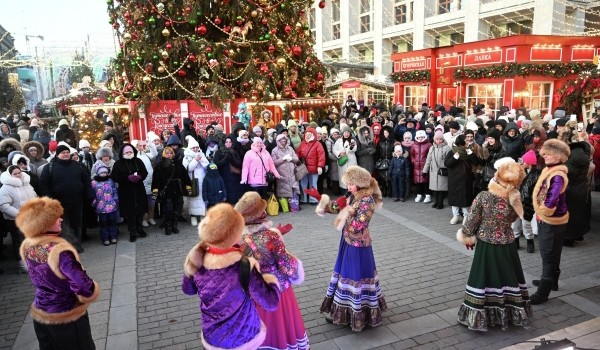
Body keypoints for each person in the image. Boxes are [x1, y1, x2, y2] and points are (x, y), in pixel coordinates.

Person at [182, 203, 280, 349]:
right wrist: (271, 281)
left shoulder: (196, 257)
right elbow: (271, 302)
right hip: (244, 336)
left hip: (212, 335)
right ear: (233, 234)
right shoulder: (243, 266)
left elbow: (188, 289)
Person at [456, 159, 530, 331]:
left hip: (486, 243)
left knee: (483, 277)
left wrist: (467, 237)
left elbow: (471, 221)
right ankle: (509, 311)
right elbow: (516, 217)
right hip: (508, 243)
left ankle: (482, 314)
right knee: (507, 276)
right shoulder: (515, 199)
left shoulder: (484, 196)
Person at [17, 197, 100, 350]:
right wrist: (91, 287)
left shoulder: (28, 245)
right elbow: (84, 287)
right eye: (55, 218)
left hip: (40, 313)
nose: (60, 219)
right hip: (65, 315)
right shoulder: (60, 252)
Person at [235, 192, 309, 349]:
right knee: (280, 325)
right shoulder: (271, 236)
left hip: (252, 292)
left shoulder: (237, 239)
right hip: (276, 290)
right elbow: (287, 265)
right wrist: (296, 268)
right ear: (261, 214)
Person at [318, 165, 387, 332]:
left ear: (360, 183)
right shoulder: (354, 196)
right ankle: (341, 311)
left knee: (354, 277)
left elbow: (359, 225)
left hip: (358, 246)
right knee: (344, 275)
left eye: (350, 183)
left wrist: (345, 213)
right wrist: (322, 201)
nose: (347, 187)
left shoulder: (367, 200)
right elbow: (338, 207)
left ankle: (358, 313)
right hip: (347, 241)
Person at [530, 139, 570, 304]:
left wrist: (543, 213)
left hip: (552, 220)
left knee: (548, 255)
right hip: (554, 219)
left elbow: (551, 199)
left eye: (549, 154)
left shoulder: (557, 174)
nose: (545, 156)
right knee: (553, 253)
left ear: (559, 156)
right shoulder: (552, 169)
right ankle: (552, 281)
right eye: (545, 153)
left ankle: (543, 292)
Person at [39, 144, 93, 253]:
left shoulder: (78, 165)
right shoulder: (49, 167)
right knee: (64, 225)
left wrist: (89, 194)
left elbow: (87, 182)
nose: (66, 154)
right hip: (59, 203)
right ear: (57, 154)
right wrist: (49, 200)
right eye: (63, 153)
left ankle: (76, 244)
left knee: (77, 224)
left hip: (77, 201)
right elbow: (44, 185)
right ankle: (70, 246)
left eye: (67, 152)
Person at [0, 165, 37, 270]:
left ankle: (33, 260)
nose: (17, 175)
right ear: (10, 175)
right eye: (14, 174)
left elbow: (35, 197)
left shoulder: (26, 184)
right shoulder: (5, 188)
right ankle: (22, 263)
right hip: (15, 220)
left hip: (31, 218)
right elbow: (4, 205)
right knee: (19, 241)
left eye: (19, 173)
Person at [111, 144, 149, 242]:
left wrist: (140, 177)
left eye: (130, 152)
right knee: (130, 213)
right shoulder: (118, 164)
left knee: (140, 211)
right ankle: (132, 232)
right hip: (126, 191)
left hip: (138, 189)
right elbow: (115, 177)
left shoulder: (138, 161)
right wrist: (127, 178)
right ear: (123, 153)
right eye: (127, 152)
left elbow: (145, 172)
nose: (129, 153)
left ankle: (140, 229)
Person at [152, 146, 191, 235]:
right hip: (167, 190)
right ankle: (168, 226)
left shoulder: (178, 164)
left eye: (171, 153)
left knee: (176, 209)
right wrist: (155, 191)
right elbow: (156, 179)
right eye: (167, 153)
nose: (169, 155)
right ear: (164, 154)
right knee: (168, 209)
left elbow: (185, 177)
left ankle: (174, 226)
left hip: (177, 189)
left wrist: (188, 187)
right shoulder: (160, 165)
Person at [513, 150, 541, 253]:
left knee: (526, 224)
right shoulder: (519, 171)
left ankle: (530, 241)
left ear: (528, 163)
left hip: (527, 203)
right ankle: (515, 240)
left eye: (523, 161)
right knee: (515, 223)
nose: (521, 162)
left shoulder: (536, 174)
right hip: (516, 201)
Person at [445, 134, 476, 225]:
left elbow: (476, 162)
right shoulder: (452, 152)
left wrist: (471, 154)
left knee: (465, 198)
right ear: (461, 143)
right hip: (454, 179)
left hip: (466, 178)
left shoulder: (469, 151)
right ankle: (455, 215)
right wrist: (455, 158)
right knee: (454, 198)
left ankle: (466, 215)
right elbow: (447, 164)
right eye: (466, 141)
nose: (468, 142)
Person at [182, 136, 209, 226]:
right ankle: (193, 216)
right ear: (190, 148)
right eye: (193, 148)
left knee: (202, 198)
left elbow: (207, 166)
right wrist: (195, 160)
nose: (195, 149)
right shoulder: (186, 157)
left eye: (196, 147)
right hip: (192, 180)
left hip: (202, 180)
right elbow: (187, 168)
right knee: (193, 198)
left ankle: (202, 215)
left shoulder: (201, 154)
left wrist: (202, 160)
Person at [296, 127, 326, 204]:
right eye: (307, 134)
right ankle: (304, 198)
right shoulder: (302, 144)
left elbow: (321, 156)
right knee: (303, 184)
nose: (308, 136)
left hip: (314, 168)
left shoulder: (317, 144)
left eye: (310, 134)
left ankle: (313, 199)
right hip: (304, 168)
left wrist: (320, 166)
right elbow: (297, 153)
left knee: (313, 184)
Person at [91, 166, 119, 246]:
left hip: (111, 206)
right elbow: (92, 194)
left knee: (112, 222)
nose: (103, 174)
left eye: (105, 172)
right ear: (98, 173)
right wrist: (94, 202)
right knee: (103, 223)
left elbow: (114, 191)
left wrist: (115, 200)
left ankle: (113, 236)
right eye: (102, 173)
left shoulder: (110, 181)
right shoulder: (94, 182)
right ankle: (105, 238)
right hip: (101, 207)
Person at [132, 139, 158, 226]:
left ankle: (151, 217)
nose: (140, 147)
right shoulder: (134, 158)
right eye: (138, 146)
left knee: (152, 202)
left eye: (141, 146)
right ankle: (144, 219)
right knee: (143, 203)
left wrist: (150, 144)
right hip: (142, 183)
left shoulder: (146, 155)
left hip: (151, 182)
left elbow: (155, 154)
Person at [271, 133, 300, 207]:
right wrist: (283, 159)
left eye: (284, 140)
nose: (283, 141)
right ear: (278, 141)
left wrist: (291, 159)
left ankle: (293, 206)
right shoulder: (275, 150)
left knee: (293, 188)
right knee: (283, 189)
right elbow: (273, 163)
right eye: (281, 140)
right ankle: (284, 206)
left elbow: (296, 159)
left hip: (292, 173)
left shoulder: (290, 148)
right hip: (282, 173)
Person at [423, 131, 450, 209]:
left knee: (441, 188)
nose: (438, 141)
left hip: (442, 171)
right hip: (433, 171)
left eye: (440, 139)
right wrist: (425, 171)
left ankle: (440, 203)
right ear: (434, 139)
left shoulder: (447, 148)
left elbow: (448, 160)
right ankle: (436, 202)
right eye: (437, 139)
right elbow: (428, 160)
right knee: (435, 189)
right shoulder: (432, 148)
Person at [213, 136, 243, 205]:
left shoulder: (234, 152)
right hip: (224, 176)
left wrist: (233, 158)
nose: (228, 144)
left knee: (234, 195)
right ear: (224, 143)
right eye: (226, 142)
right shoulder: (219, 152)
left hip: (234, 177)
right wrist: (225, 159)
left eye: (230, 142)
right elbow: (216, 164)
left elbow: (239, 163)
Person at [333, 125, 358, 195]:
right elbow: (334, 149)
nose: (346, 134)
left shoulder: (352, 140)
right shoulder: (338, 141)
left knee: (351, 177)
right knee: (343, 177)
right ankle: (344, 192)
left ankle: (352, 192)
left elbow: (354, 149)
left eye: (348, 132)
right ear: (343, 133)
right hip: (342, 162)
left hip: (351, 161)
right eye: (345, 132)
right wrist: (339, 153)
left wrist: (350, 148)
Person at [411, 130, 432, 203]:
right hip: (417, 166)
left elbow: (430, 155)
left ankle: (427, 195)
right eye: (419, 137)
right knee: (418, 182)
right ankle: (419, 194)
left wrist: (427, 163)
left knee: (425, 182)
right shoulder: (414, 145)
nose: (420, 138)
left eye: (422, 137)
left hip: (425, 166)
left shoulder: (428, 145)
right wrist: (413, 161)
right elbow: (412, 155)